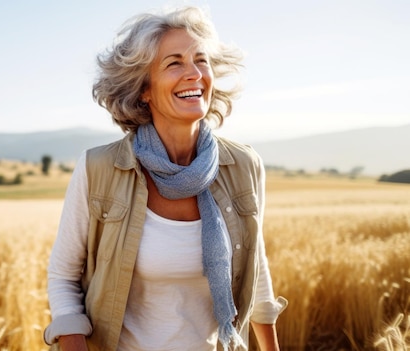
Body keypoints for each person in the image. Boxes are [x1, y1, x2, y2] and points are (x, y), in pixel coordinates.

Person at [44, 6, 287, 351]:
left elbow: (256, 270)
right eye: (174, 63)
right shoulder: (98, 169)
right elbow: (64, 276)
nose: (194, 74)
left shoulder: (244, 165)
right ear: (144, 89)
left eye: (200, 60)